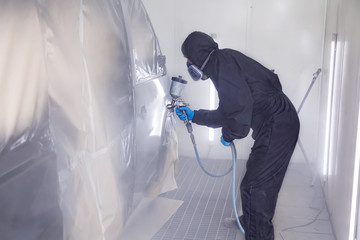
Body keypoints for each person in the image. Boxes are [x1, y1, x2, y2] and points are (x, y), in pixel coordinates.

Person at [175, 31, 300, 240]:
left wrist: (229, 135)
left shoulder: (222, 65)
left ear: (196, 56)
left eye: (188, 59)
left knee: (253, 186)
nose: (188, 64)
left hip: (277, 125)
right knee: (262, 183)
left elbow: (240, 112)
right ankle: (253, 222)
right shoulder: (222, 63)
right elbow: (227, 112)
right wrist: (194, 116)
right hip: (280, 122)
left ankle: (258, 233)